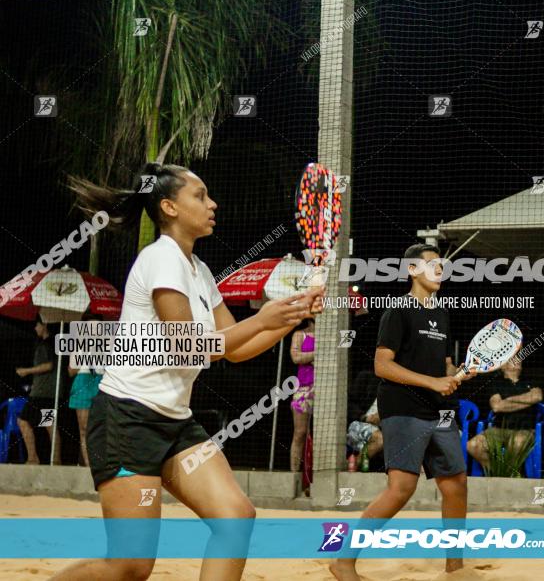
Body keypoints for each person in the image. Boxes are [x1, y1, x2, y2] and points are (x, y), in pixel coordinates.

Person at [51, 162, 323, 581]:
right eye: (200, 195)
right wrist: (264, 320)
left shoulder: (197, 271)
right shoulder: (160, 258)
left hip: (175, 423)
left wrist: (288, 317)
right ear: (169, 207)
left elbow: (233, 347)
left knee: (234, 517)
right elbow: (186, 346)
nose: (212, 204)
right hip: (128, 419)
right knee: (130, 566)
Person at [330, 243, 472, 581]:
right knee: (401, 489)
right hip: (404, 408)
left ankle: (455, 569)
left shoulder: (441, 314)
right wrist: (433, 382)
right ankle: (343, 560)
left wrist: (457, 374)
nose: (439, 270)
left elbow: (444, 368)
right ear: (411, 270)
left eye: (441, 265)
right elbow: (382, 365)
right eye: (431, 264)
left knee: (456, 485)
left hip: (439, 412)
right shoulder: (399, 310)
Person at [465, 358, 542, 473]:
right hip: (498, 429)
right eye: (511, 359)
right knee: (473, 445)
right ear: (502, 366)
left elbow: (536, 397)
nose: (517, 360)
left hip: (525, 430)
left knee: (517, 442)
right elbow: (496, 406)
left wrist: (508, 400)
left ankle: (507, 474)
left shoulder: (529, 381)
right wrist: (526, 401)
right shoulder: (496, 383)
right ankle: (495, 472)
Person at [16, 320, 61, 465]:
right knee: (49, 423)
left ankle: (33, 458)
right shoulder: (52, 343)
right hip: (48, 391)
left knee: (23, 420)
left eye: (36, 325)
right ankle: (55, 459)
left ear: (44, 325)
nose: (35, 329)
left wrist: (26, 371)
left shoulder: (46, 344)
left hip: (42, 392)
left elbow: (48, 365)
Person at [68, 338, 105, 467]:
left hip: (101, 382)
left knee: (103, 428)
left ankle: (102, 462)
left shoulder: (108, 343)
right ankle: (89, 465)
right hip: (83, 381)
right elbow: (71, 371)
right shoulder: (78, 346)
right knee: (84, 429)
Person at [289, 317, 315, 493]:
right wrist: (318, 353)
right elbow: (296, 357)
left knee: (322, 436)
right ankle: (294, 477)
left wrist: (310, 356)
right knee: (300, 433)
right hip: (303, 390)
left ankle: (315, 480)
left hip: (325, 390)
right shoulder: (300, 334)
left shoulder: (331, 337)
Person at [346, 397, 382, 466]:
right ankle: (353, 465)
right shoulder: (387, 394)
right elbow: (374, 419)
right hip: (359, 425)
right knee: (380, 439)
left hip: (376, 431)